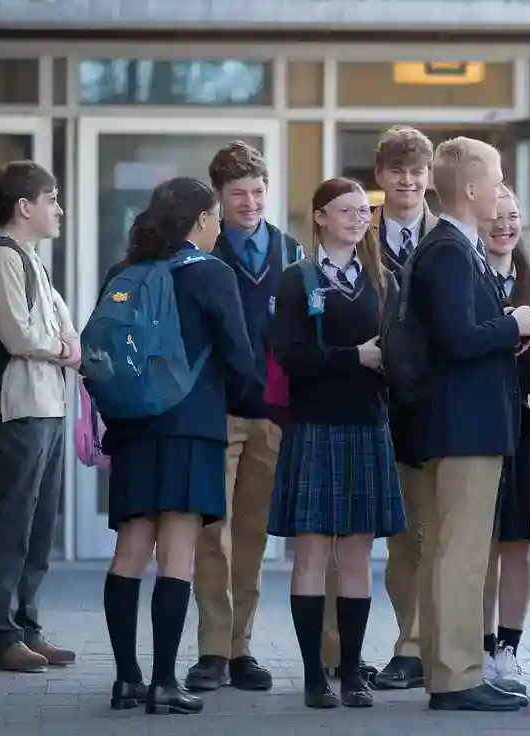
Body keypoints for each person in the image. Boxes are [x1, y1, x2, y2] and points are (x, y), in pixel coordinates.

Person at [98, 176, 259, 715]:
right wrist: (252, 401)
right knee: (178, 554)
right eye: (215, 219)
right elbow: (238, 358)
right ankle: (165, 682)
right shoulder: (211, 272)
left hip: (133, 428)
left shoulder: (125, 272)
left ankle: (127, 680)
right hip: (191, 426)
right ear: (202, 220)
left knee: (129, 551)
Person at [408, 136, 530, 712]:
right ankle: (457, 676)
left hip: (460, 421)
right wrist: (515, 325)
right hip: (463, 424)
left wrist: (504, 328)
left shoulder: (452, 247)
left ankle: (449, 670)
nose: (501, 188)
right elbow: (458, 338)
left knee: (451, 552)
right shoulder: (450, 250)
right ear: (469, 190)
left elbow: (457, 333)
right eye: (496, 179)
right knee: (460, 555)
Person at [268, 177, 407, 709]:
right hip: (314, 425)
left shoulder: (383, 280)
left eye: (363, 211)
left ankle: (351, 673)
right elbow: (290, 358)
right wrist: (355, 357)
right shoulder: (297, 279)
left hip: (368, 423)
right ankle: (313, 676)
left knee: (356, 556)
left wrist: (389, 363)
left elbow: (400, 351)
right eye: (345, 210)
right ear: (320, 217)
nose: (357, 219)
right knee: (310, 553)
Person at [186, 141, 301, 693]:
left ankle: (240, 648)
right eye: (238, 195)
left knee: (253, 535)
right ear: (219, 198)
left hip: (272, 417)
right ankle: (212, 650)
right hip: (218, 414)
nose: (250, 203)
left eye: (257, 192)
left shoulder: (291, 252)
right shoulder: (202, 254)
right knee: (213, 535)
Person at [0, 160, 78, 673]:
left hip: (46, 405)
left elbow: (64, 324)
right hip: (16, 409)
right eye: (51, 199)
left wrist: (67, 344)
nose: (58, 209)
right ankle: (0, 636)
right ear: (24, 206)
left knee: (38, 528)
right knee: (11, 524)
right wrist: (62, 349)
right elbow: (19, 334)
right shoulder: (1, 257)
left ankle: (27, 628)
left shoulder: (30, 257)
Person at [361, 126, 439, 691]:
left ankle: (415, 647)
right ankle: (359, 648)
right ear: (380, 176)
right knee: (383, 536)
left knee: (424, 533)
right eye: (397, 172)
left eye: (417, 172)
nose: (408, 182)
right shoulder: (358, 233)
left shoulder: (451, 236)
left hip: (433, 403)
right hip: (370, 400)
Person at [477, 186, 530, 681]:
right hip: (480, 426)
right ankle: (481, 645)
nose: (504, 226)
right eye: (495, 217)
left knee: (519, 542)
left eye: (511, 217)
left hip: (529, 430)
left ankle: (509, 647)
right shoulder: (468, 279)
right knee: (482, 544)